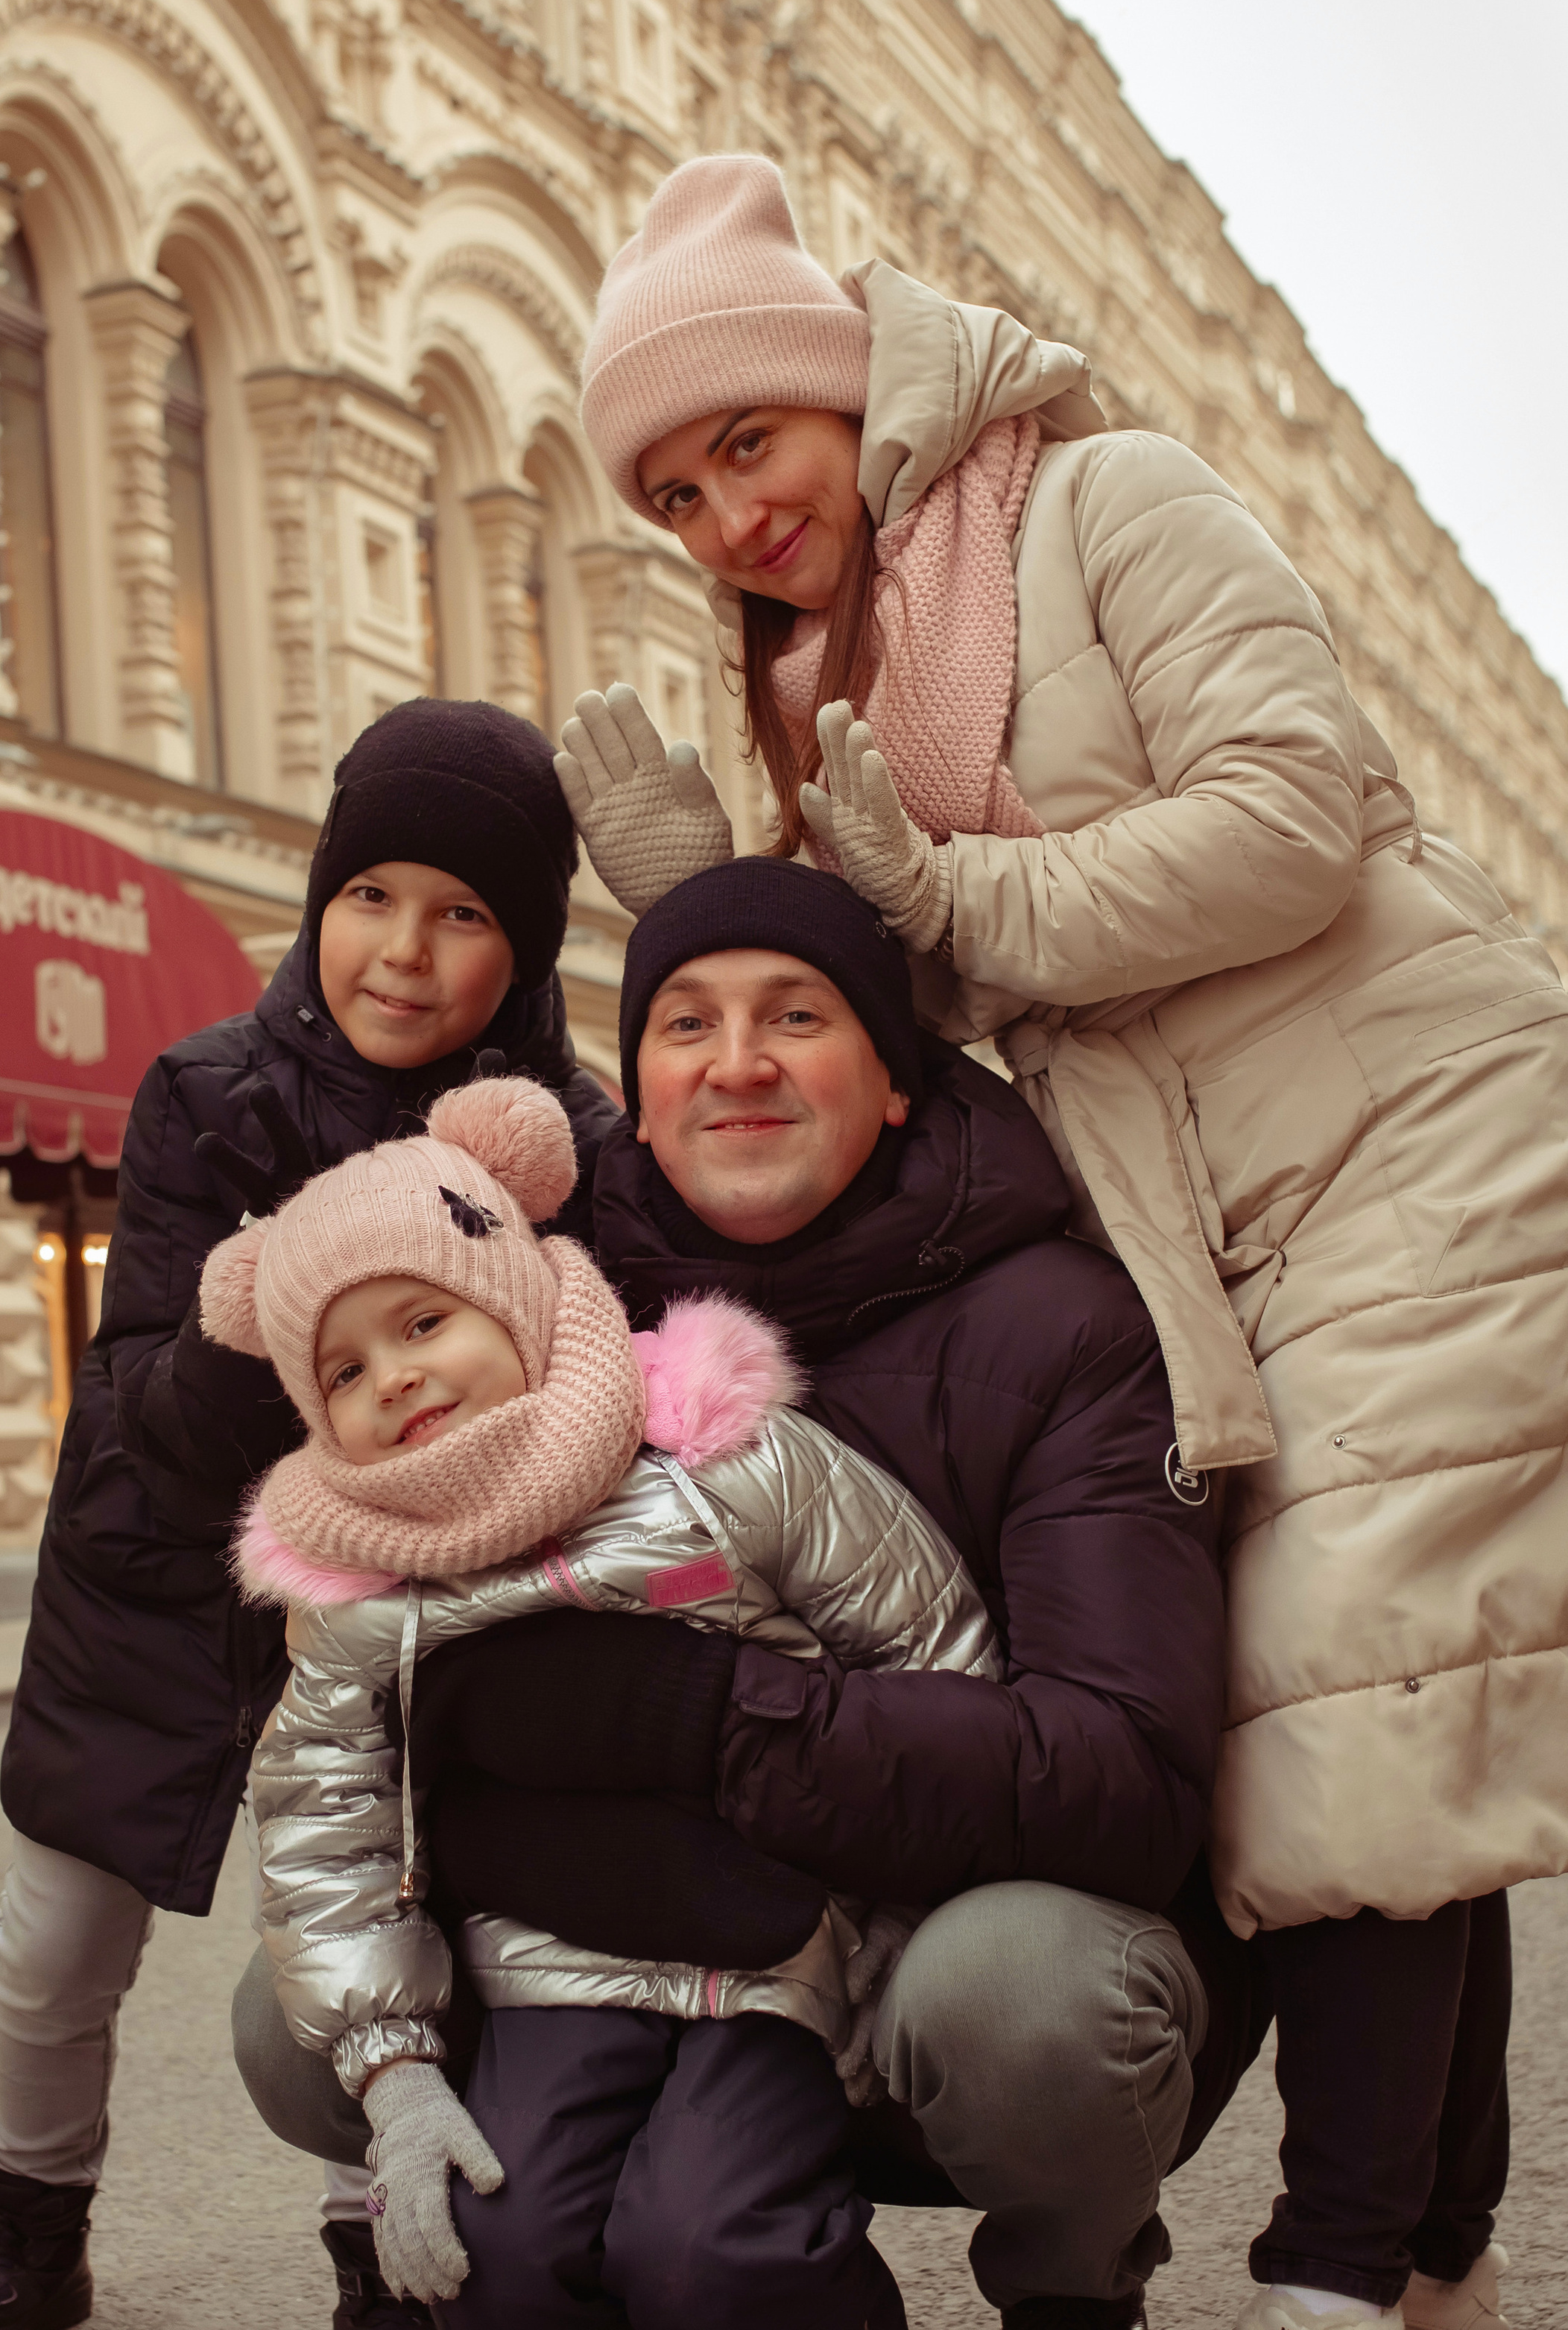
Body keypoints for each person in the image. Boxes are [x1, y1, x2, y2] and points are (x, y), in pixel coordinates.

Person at [555, 150, 1564, 2330]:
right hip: (1198, 1202)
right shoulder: (827, 661)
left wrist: (934, 899)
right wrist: (716, 909)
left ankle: (1330, 2270)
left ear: (846, 386)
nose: (730, 516)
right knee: (1357, 1697)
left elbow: (1294, 812)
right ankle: (1442, 2256)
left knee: (1336, 1689)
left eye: (749, 441)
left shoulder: (1106, 496)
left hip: (1404, 1119)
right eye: (677, 498)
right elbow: (901, 999)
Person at [235, 859, 1254, 2330]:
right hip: (561, 1948)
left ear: (894, 1075)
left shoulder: (1037, 1331)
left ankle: (1067, 2278)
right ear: (633, 1093)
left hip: (856, 1932)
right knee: (340, 2069)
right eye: (685, 1025)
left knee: (979, 2038)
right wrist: (401, 2056)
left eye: (796, 1016)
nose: (737, 1064)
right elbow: (335, 1781)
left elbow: (1103, 1764)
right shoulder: (525, 1320)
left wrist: (695, 1717)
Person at [0, 701, 616, 2330]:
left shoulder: (569, 1145)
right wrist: (285, 1293)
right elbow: (143, 1391)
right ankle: (25, 2217)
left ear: (532, 943)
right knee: (57, 1936)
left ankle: (381, 2240)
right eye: (371, 896)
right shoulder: (200, 1091)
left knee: (409, 1914)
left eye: (464, 913)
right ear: (315, 901)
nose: (405, 953)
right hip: (154, 1577)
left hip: (423, 1594)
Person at [212, 1068, 1004, 2328]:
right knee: (498, 2248)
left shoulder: (713, 1454)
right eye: (346, 1373)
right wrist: (397, 2073)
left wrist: (904, 1922)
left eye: (424, 1324)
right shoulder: (366, 1587)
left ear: (512, 1299)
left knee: (715, 2249)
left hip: (777, 1951)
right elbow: (321, 1823)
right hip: (544, 1967)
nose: (396, 1380)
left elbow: (929, 1651)